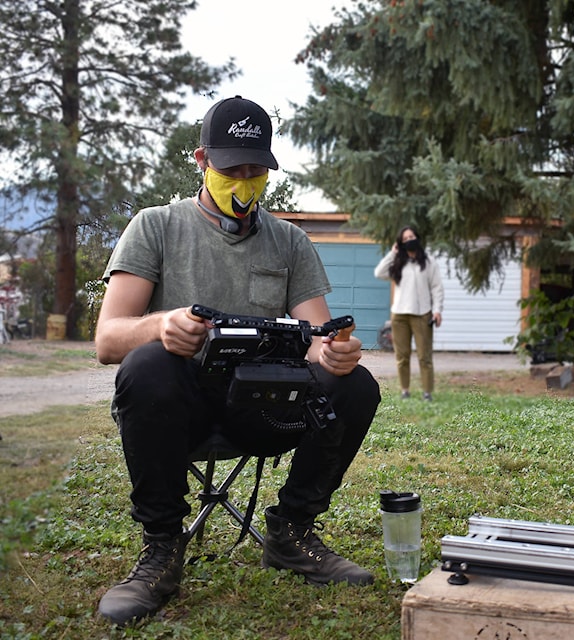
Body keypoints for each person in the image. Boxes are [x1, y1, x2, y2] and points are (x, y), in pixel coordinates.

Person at [94, 96, 381, 626]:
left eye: (256, 170)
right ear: (202, 160)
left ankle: (291, 532)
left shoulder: (289, 241)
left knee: (356, 385)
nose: (245, 182)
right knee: (144, 365)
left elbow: (318, 336)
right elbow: (107, 340)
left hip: (262, 406)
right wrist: (160, 325)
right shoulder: (155, 226)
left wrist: (334, 353)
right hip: (182, 410)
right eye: (232, 169)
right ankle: (161, 548)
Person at [374, 226, 445, 401]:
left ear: (417, 238)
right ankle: (405, 390)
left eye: (411, 236)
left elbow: (437, 288)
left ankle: (427, 393)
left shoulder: (428, 261)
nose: (409, 240)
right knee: (402, 356)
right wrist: (392, 253)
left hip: (422, 314)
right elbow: (379, 273)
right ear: (401, 243)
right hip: (399, 315)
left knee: (424, 356)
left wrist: (437, 310)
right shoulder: (398, 262)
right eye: (405, 239)